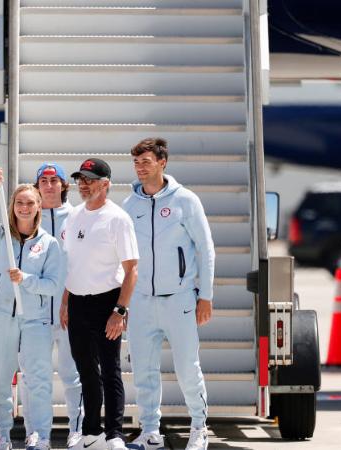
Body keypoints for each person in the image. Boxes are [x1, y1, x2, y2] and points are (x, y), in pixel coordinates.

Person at [121, 138, 215, 450]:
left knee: (188, 368)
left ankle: (199, 428)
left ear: (163, 162)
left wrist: (206, 296)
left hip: (180, 300)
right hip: (141, 303)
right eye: (137, 163)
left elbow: (206, 250)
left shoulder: (185, 201)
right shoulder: (129, 206)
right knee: (144, 372)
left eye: (146, 162)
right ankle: (150, 432)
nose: (140, 168)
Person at [0, 161, 65, 450]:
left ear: (38, 206)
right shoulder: (0, 236)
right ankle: (4, 435)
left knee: (37, 381)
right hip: (1, 318)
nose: (24, 207)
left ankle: (39, 435)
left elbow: (52, 286)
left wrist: (25, 280)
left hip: (34, 321)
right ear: (12, 206)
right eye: (19, 202)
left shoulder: (48, 244)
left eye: (29, 203)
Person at [59, 158, 139, 450]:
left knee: (109, 370)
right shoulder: (74, 216)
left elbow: (132, 270)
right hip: (78, 302)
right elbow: (72, 264)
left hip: (108, 303)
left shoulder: (117, 218)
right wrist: (66, 302)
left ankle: (114, 433)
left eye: (90, 179)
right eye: (81, 179)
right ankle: (92, 433)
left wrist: (120, 311)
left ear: (106, 184)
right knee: (86, 371)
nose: (84, 184)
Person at [32, 162, 84, 449]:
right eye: (44, 180)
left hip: (70, 313)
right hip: (38, 315)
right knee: (35, 379)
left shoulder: (78, 217)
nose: (49, 185)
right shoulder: (28, 217)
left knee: (72, 375)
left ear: (64, 185)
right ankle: (40, 434)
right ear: (37, 185)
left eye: (55, 180)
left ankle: (76, 430)